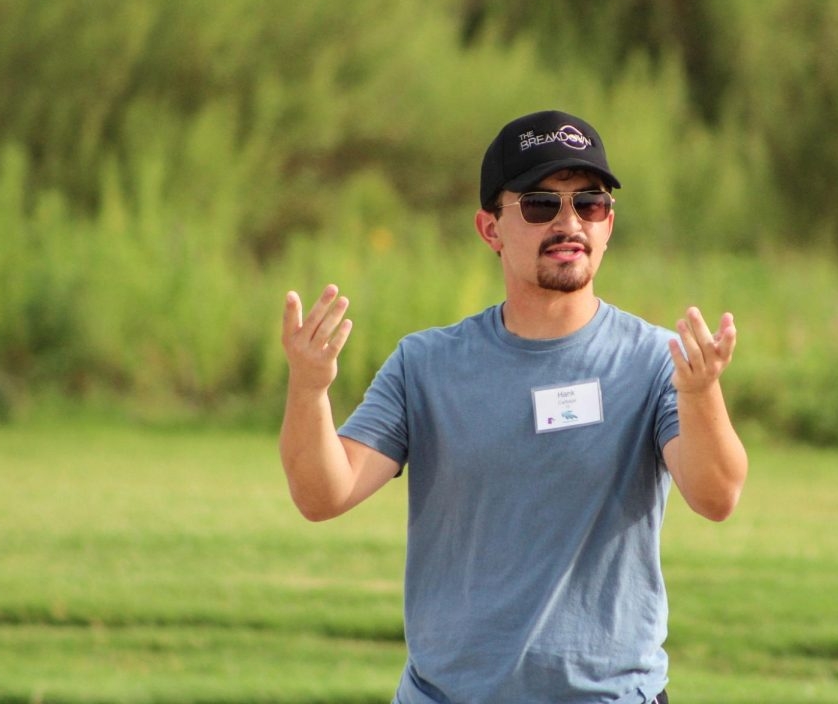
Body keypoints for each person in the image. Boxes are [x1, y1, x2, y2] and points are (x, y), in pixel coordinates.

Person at [279, 110, 748, 704]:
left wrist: (702, 394)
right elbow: (323, 494)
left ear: (608, 224)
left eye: (590, 203)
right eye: (539, 204)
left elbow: (717, 496)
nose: (569, 222)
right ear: (490, 228)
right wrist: (309, 387)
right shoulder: (425, 365)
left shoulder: (658, 361)